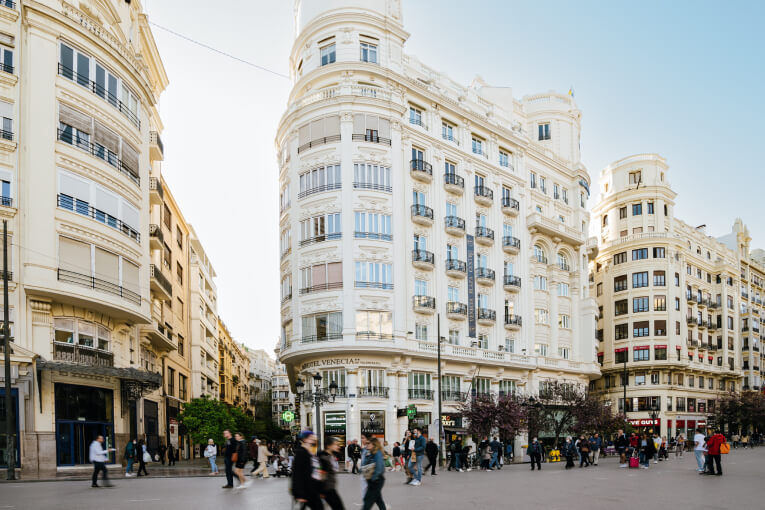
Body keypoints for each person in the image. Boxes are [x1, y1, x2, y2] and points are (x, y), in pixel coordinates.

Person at [292, 430, 323, 510]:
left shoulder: (309, 452)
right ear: (305, 439)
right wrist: (299, 494)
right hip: (307, 490)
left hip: (312, 489)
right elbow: (297, 474)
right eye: (311, 437)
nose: (313, 438)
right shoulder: (301, 452)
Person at [318, 436, 345, 510]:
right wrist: (321, 492)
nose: (338, 446)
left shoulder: (331, 455)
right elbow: (322, 475)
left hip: (330, 487)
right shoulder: (323, 457)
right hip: (327, 489)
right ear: (329, 446)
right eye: (335, 444)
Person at [361, 436, 387, 510]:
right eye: (367, 443)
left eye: (369, 443)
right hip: (372, 480)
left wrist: (373, 478)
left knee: (367, 501)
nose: (367, 445)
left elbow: (379, 468)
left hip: (376, 480)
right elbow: (364, 464)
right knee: (378, 500)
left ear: (374, 444)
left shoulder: (377, 453)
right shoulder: (369, 452)